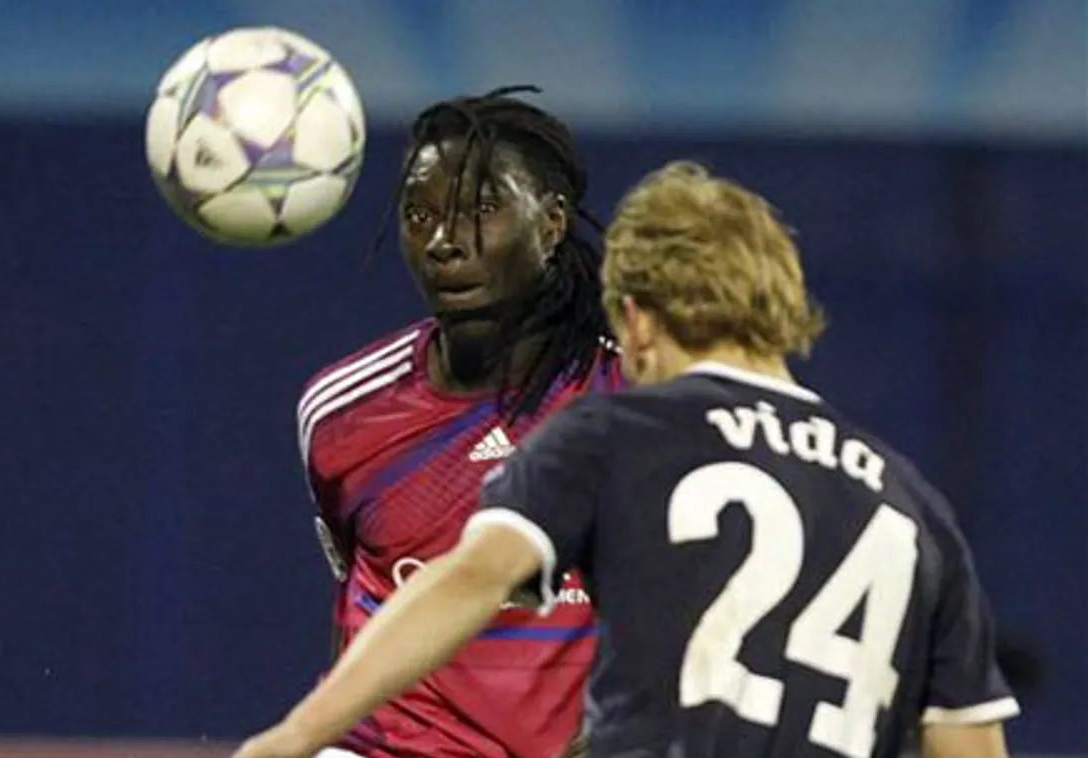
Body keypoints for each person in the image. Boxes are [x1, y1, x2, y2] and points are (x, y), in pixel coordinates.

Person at [239, 161, 1020, 758]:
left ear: (637, 322)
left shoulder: (614, 437)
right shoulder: (912, 508)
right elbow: (969, 745)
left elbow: (473, 577)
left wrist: (292, 738)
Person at [291, 86, 625, 758]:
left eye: (481, 211)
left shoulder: (631, 399)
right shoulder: (341, 413)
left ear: (551, 223)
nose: (444, 243)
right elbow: (362, 605)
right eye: (420, 215)